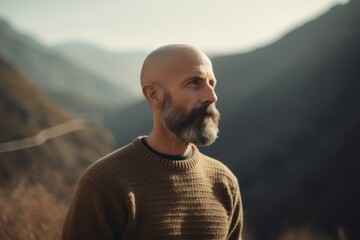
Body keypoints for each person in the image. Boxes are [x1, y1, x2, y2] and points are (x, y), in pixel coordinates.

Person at [61, 44, 243, 240]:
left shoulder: (224, 182)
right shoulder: (105, 183)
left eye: (211, 83)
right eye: (194, 83)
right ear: (154, 95)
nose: (211, 96)